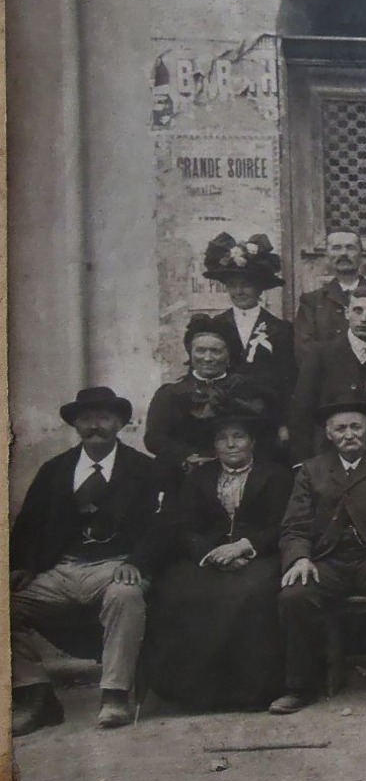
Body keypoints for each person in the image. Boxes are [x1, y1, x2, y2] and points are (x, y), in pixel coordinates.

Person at [11, 387, 161, 734]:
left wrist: (138, 561)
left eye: (105, 417)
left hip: (117, 564)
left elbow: (162, 524)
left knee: (126, 594)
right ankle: (35, 693)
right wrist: (25, 566)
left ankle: (114, 695)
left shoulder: (144, 469)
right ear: (76, 424)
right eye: (87, 418)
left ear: (121, 423)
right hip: (61, 568)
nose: (96, 426)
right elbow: (29, 523)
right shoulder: (55, 469)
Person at [145, 388, 292, 711]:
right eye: (222, 439)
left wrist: (242, 546)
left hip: (259, 555)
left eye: (238, 437)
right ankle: (194, 692)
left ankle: (252, 690)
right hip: (210, 557)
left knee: (251, 595)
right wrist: (210, 552)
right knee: (177, 592)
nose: (230, 444)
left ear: (252, 441)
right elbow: (183, 524)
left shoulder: (275, 475)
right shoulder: (201, 476)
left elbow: (282, 524)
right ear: (213, 445)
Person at [271, 396, 366, 714]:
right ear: (328, 433)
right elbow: (293, 527)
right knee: (294, 594)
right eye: (340, 428)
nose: (348, 434)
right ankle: (300, 686)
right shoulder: (312, 470)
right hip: (328, 560)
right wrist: (300, 558)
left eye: (356, 426)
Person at [287, 285, 366, 462]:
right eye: (357, 310)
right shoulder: (320, 355)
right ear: (346, 313)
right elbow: (302, 413)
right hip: (327, 459)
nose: (363, 319)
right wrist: (302, 464)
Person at [145, 314, 251, 491]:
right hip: (184, 476)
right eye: (200, 351)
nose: (208, 358)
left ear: (229, 354)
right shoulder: (170, 394)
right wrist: (186, 456)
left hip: (239, 475)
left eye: (216, 351)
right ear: (190, 352)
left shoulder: (246, 389)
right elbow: (154, 438)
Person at [203, 232, 297, 410]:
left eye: (246, 285)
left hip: (266, 412)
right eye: (232, 285)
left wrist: (284, 423)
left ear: (260, 288)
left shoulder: (281, 329)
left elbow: (288, 380)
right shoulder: (215, 325)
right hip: (223, 410)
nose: (239, 292)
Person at [293, 230, 366, 360]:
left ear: (361, 253)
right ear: (327, 254)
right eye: (336, 248)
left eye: (350, 247)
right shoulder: (311, 302)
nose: (343, 253)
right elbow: (305, 349)